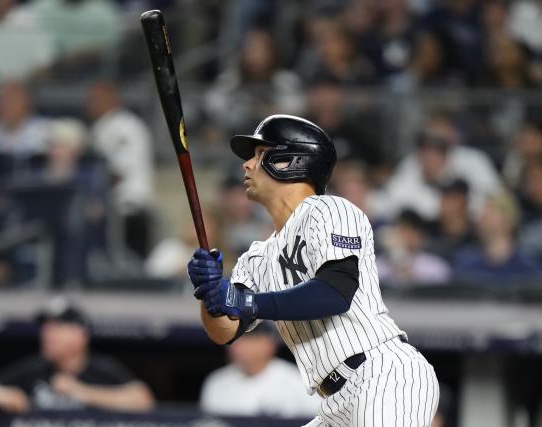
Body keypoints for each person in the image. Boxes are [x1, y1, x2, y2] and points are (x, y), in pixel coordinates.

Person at [188, 115, 439, 426]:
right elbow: (224, 332)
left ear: (291, 161)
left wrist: (245, 301)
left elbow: (335, 292)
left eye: (259, 154)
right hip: (334, 401)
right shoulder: (256, 257)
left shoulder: (331, 210)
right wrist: (208, 293)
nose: (247, 165)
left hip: (383, 375)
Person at [0, 297, 154, 413]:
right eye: (45, 327)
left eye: (56, 328)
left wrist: (81, 392)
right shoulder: (35, 368)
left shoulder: (102, 368)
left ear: (79, 335)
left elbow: (142, 400)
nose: (47, 334)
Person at [87, 80, 155, 258]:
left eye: (97, 99)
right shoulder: (102, 126)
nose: (91, 104)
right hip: (112, 209)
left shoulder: (125, 125)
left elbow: (118, 172)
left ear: (113, 99)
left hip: (130, 208)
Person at [200, 322, 318, 418]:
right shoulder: (216, 382)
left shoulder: (300, 381)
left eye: (247, 339)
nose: (237, 345)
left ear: (268, 344)